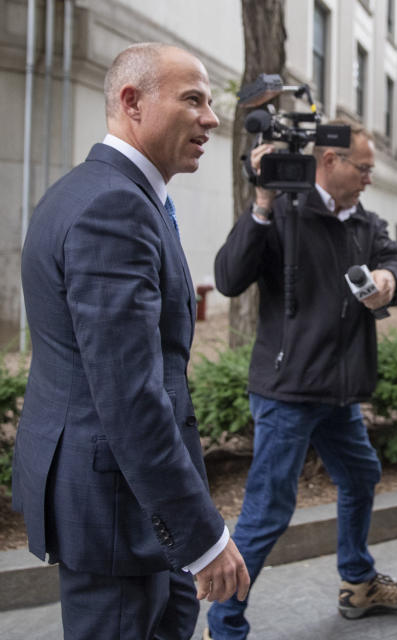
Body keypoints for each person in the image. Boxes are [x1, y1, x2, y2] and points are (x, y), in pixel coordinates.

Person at [13, 43, 249, 640]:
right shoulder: (113, 206)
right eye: (192, 99)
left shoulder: (104, 191)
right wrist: (202, 536)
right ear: (131, 101)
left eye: (211, 102)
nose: (212, 119)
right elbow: (130, 395)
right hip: (114, 508)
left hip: (133, 504)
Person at [208, 120, 397, 636]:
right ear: (329, 162)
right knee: (268, 510)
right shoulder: (282, 213)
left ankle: (359, 583)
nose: (369, 177)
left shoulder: (365, 224)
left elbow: (395, 264)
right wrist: (260, 203)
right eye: (363, 168)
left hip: (338, 394)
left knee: (361, 475)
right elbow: (230, 277)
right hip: (288, 392)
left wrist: (389, 280)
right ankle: (224, 623)